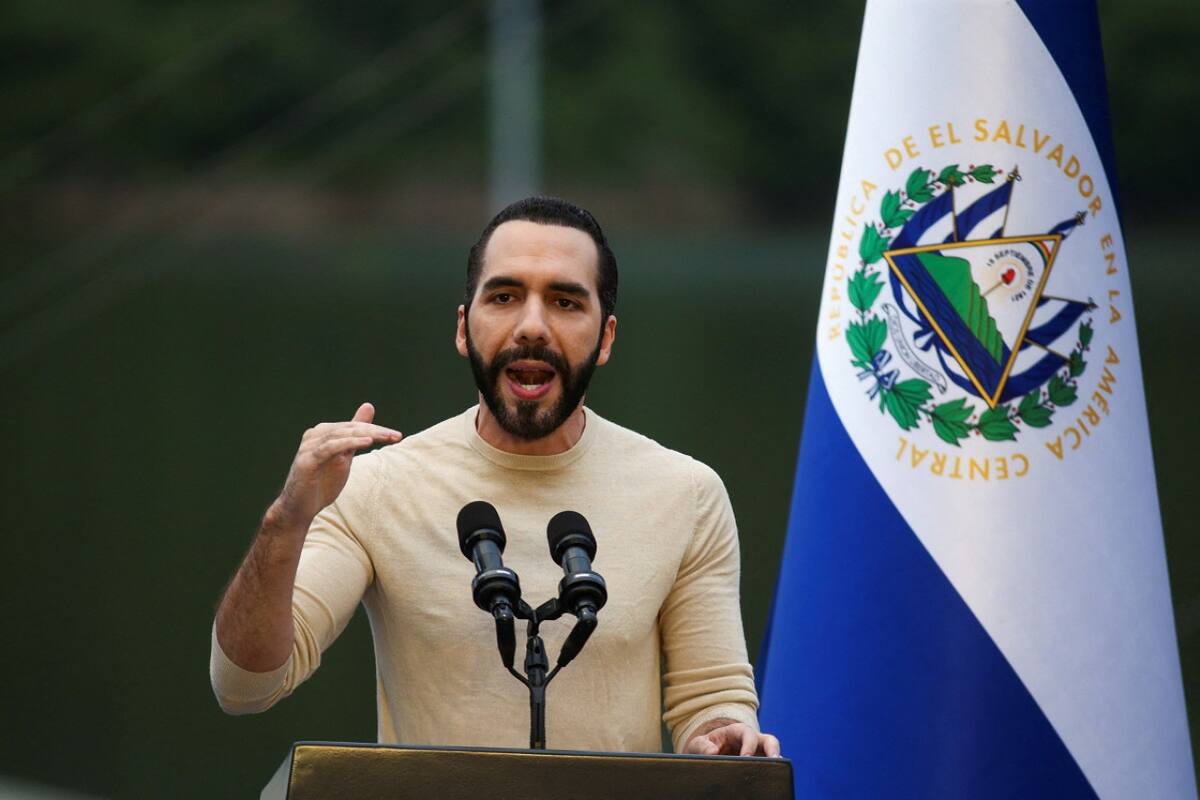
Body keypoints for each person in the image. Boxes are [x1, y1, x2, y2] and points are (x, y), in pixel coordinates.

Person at [210, 196, 780, 758]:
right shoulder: (372, 486)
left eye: (564, 302)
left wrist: (724, 735)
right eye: (505, 296)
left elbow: (712, 700)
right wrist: (285, 521)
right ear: (464, 328)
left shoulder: (686, 494)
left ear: (605, 338)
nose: (532, 327)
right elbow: (245, 687)